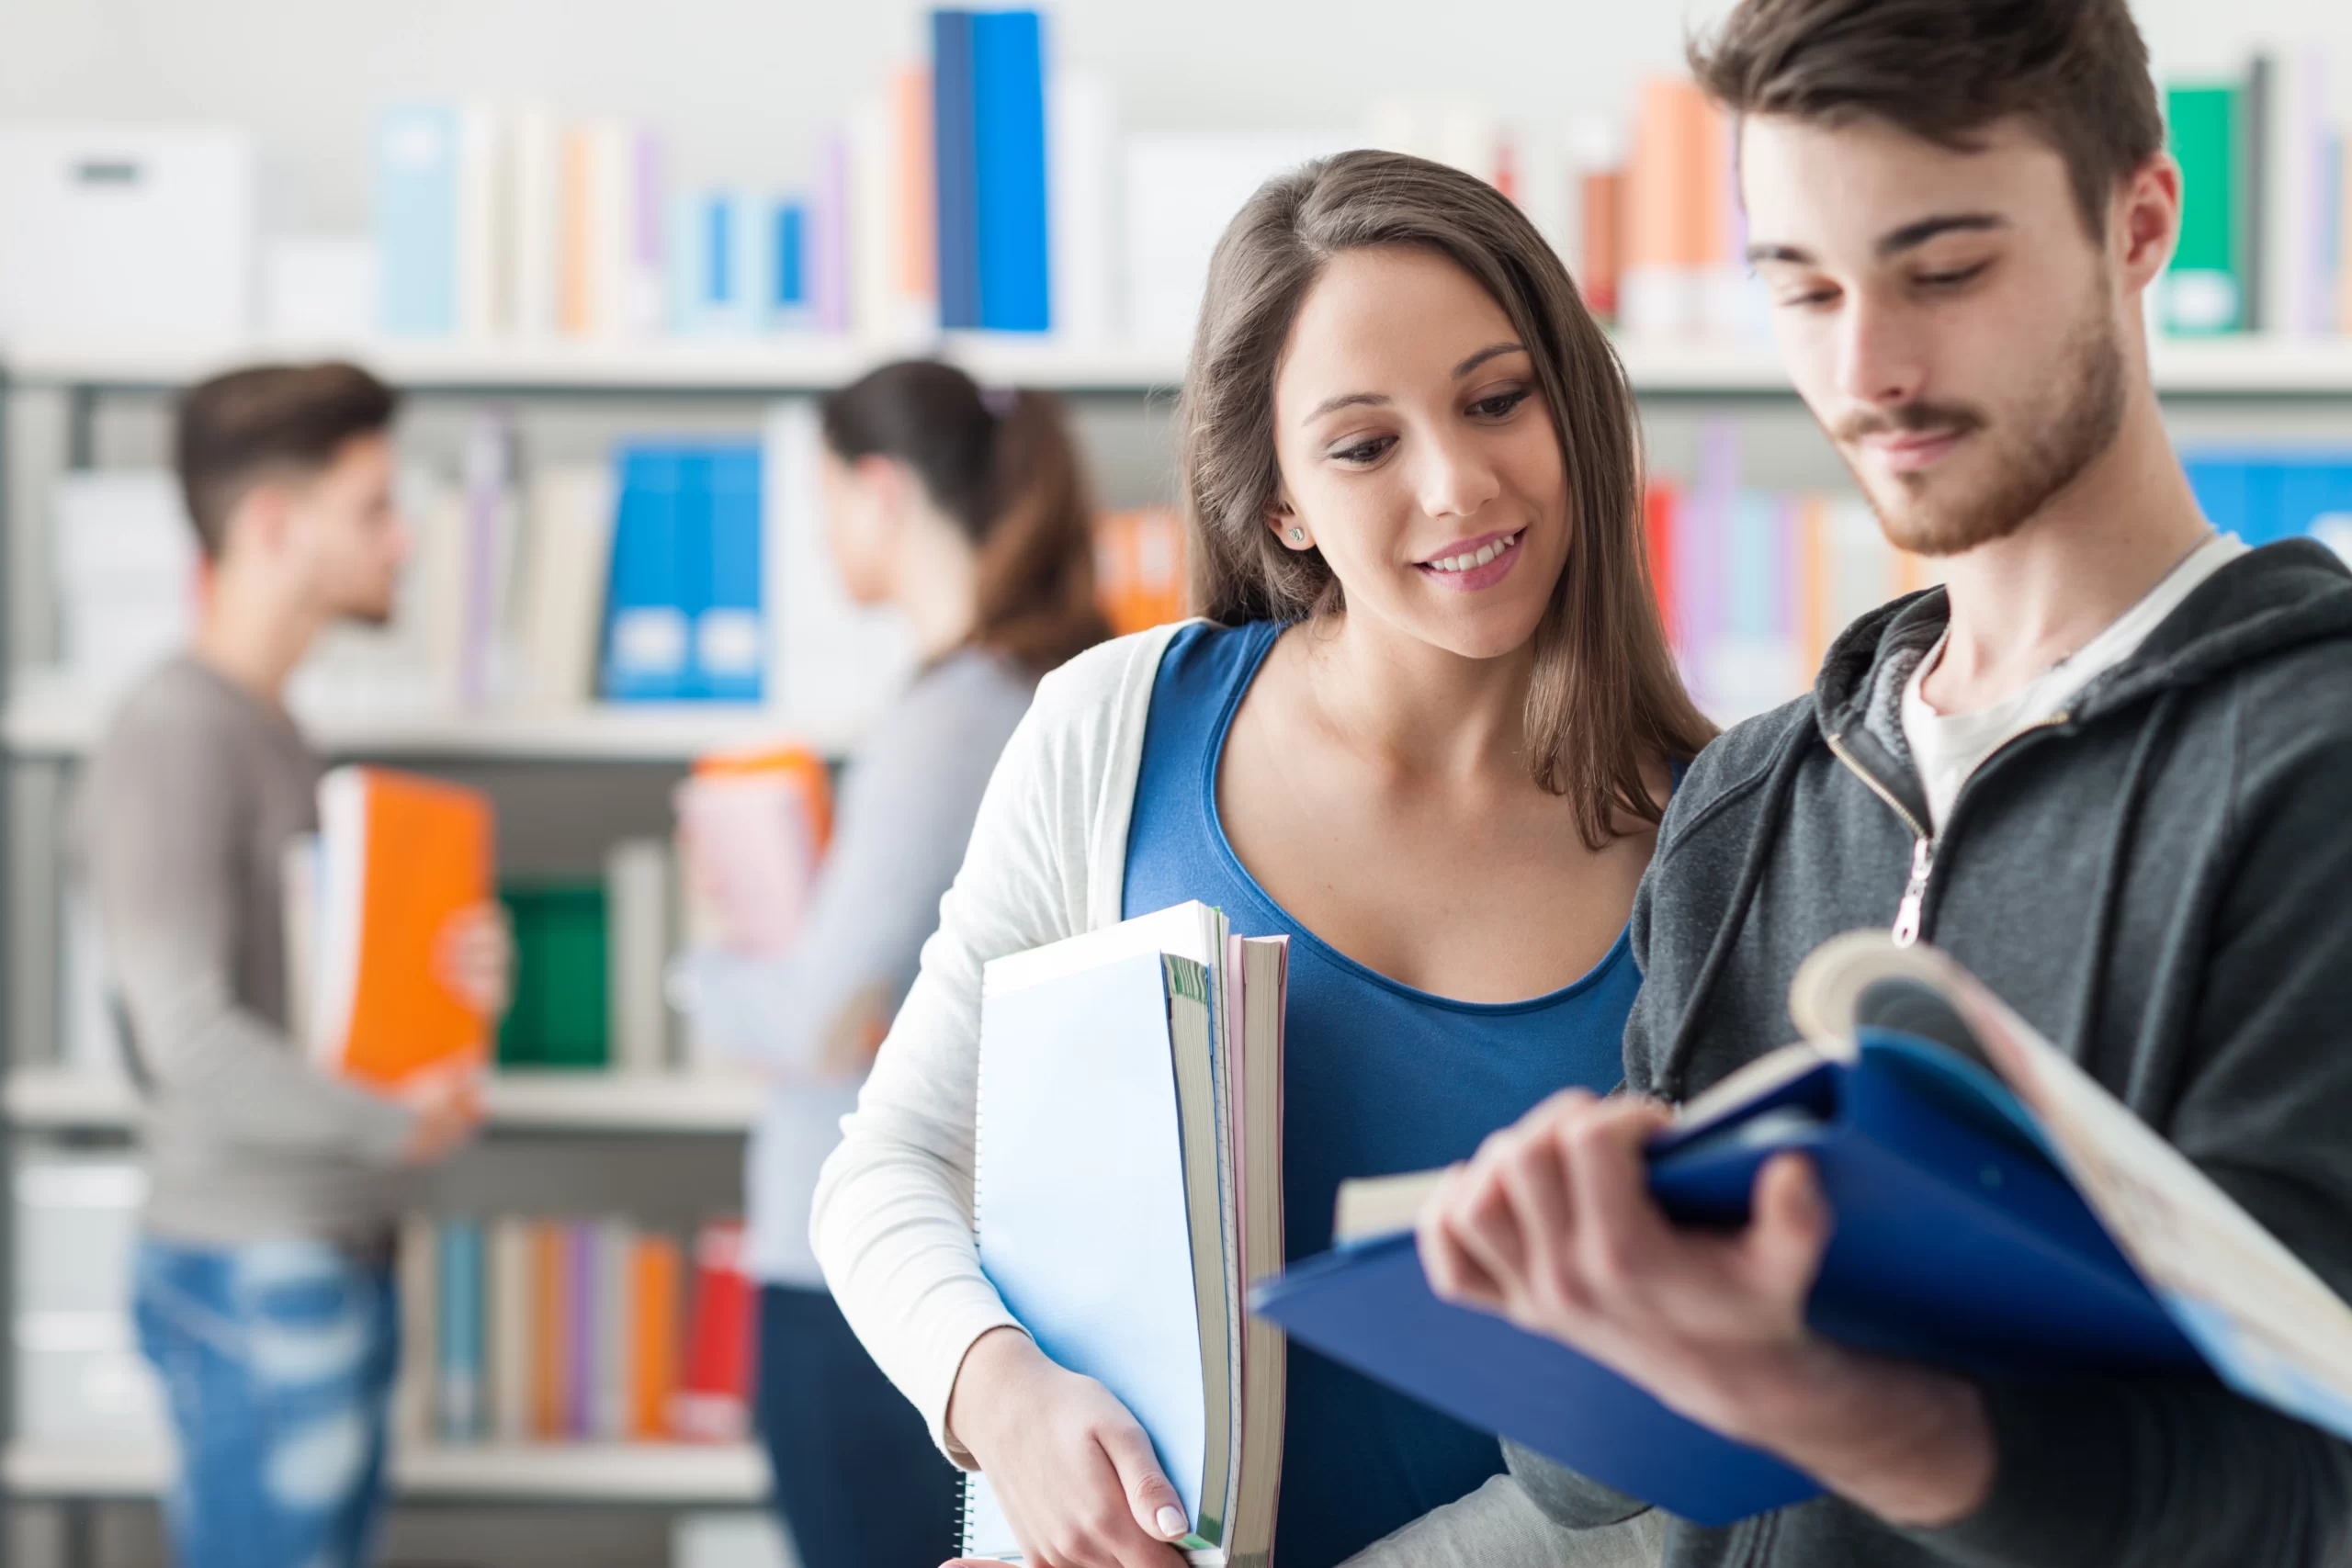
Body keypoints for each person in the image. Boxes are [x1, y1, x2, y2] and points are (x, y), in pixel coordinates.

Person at [1415, 3, 2352, 1566]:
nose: (1867, 368)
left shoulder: (2311, 767)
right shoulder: (1745, 799)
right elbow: (1602, 1478)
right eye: (1803, 283)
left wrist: (1839, 1399)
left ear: (2141, 221)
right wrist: (1563, 1303)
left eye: (1945, 270)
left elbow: (2301, 1493)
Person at [811, 152, 1715, 1568]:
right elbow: (888, 1165)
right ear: (1281, 498)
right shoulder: (1117, 731)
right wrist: (1003, 1394)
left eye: (1497, 399)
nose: (1459, 483)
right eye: (1364, 444)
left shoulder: (1720, 842)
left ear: (1574, 404)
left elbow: (1679, 1428)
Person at [673, 360, 1114, 1568]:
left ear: (878, 490)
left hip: (865, 1278)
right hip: (954, 1265)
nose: (819, 533)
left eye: (821, 496)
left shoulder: (954, 715)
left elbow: (826, 1012)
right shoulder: (1026, 692)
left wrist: (703, 967)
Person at [81, 362, 511, 1568]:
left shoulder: (270, 729)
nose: (405, 537)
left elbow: (304, 1005)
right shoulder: (178, 729)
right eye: (372, 506)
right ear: (273, 526)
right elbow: (192, 1039)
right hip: (253, 1264)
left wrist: (445, 980)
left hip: (318, 1253)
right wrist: (396, 1122)